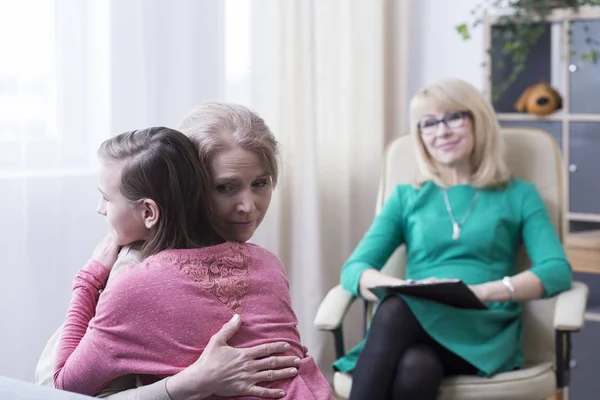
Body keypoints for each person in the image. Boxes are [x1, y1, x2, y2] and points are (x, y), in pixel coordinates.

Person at [36, 103, 309, 400]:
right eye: (225, 188)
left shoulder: (264, 263)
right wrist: (192, 382)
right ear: (190, 186)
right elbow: (62, 388)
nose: (248, 206)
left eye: (260, 183)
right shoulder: (131, 274)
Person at [333, 77, 573, 400]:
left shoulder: (519, 195)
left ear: (478, 121)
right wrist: (403, 289)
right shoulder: (407, 197)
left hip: (483, 328)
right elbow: (355, 269)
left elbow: (556, 270)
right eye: (428, 124)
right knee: (415, 368)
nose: (441, 132)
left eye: (453, 117)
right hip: (416, 323)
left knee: (395, 311)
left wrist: (485, 291)